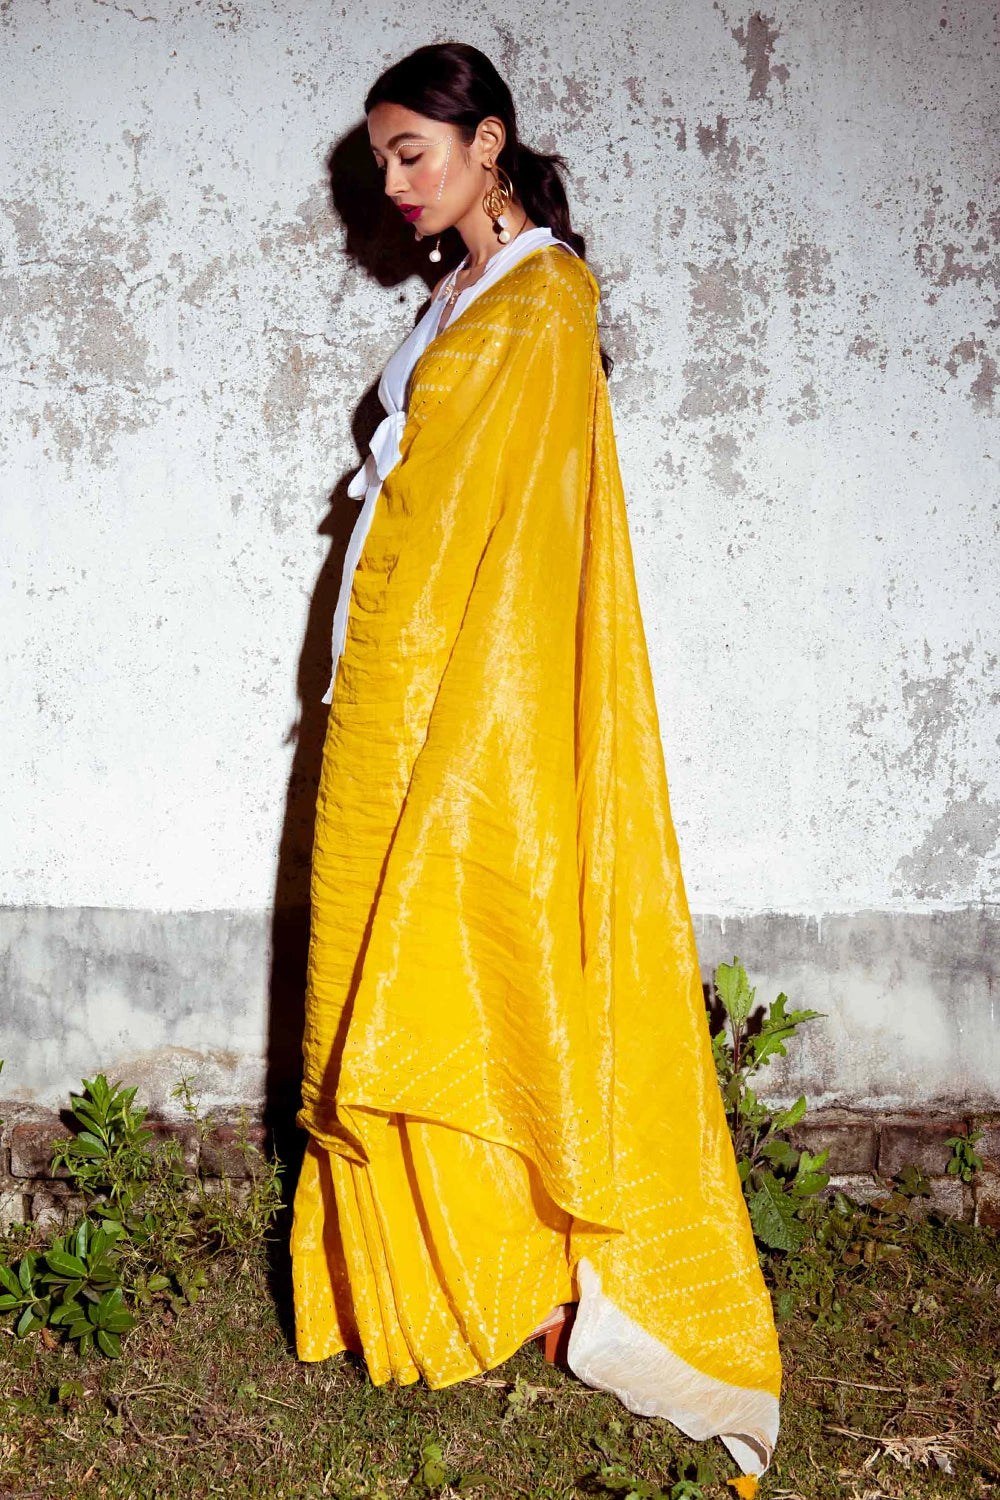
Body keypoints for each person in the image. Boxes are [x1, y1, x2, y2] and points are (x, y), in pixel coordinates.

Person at [290, 41, 781, 1481]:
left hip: (474, 701)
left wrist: (462, 722)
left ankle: (535, 1276)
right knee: (370, 954)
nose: (391, 183)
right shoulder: (457, 294)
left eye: (412, 154)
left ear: (489, 142)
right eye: (378, 160)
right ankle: (429, 1282)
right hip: (386, 684)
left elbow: (531, 554)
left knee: (459, 954)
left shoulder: (545, 301)